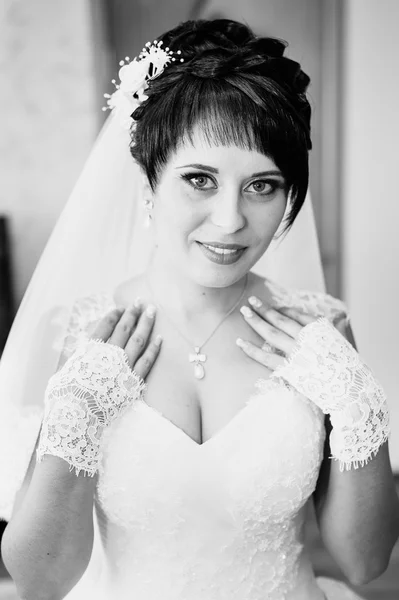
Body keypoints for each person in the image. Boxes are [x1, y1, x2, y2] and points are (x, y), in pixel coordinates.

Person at [0, 17, 398, 600]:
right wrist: (76, 419)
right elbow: (38, 580)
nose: (231, 220)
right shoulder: (74, 334)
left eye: (263, 185)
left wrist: (359, 406)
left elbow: (363, 564)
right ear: (147, 178)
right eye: (199, 178)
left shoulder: (322, 330)